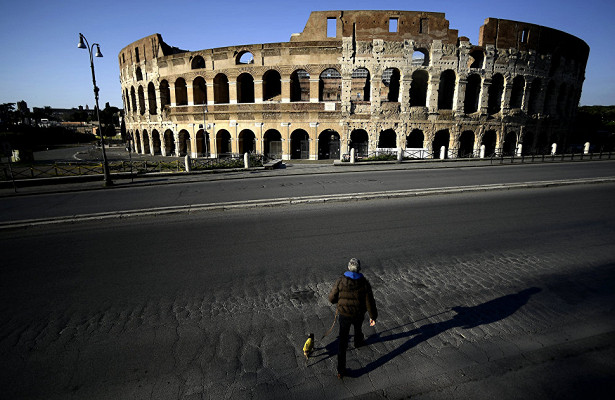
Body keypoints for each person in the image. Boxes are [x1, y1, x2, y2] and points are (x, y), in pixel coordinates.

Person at [328, 257, 378, 378]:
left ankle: (341, 370)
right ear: (359, 269)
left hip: (344, 314)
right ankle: (358, 342)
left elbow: (331, 298)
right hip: (358, 314)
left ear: (348, 268)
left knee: (343, 341)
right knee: (358, 328)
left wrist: (339, 301)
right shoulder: (364, 283)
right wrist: (373, 316)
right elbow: (369, 301)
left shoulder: (340, 281)